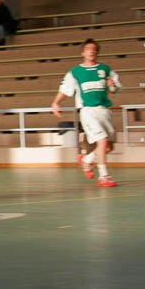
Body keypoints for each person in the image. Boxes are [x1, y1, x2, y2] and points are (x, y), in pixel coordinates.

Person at [51, 39, 120, 188]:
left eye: (94, 49)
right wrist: (56, 102)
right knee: (102, 141)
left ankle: (87, 159)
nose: (91, 51)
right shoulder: (75, 72)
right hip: (88, 111)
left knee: (108, 147)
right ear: (83, 52)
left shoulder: (105, 69)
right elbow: (65, 89)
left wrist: (113, 86)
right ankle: (103, 177)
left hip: (105, 111)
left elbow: (117, 88)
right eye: (88, 49)